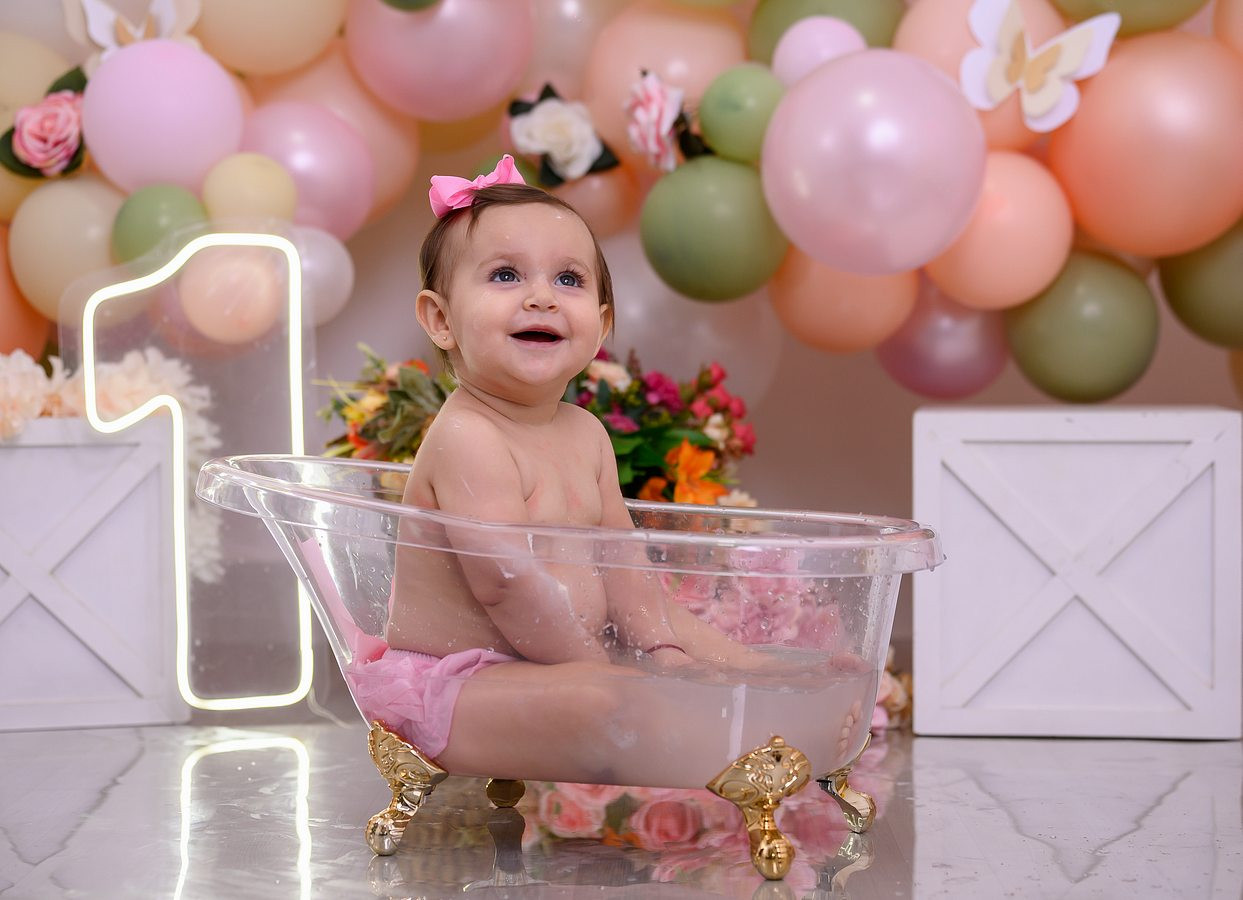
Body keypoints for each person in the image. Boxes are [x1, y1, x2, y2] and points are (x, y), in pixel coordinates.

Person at [348, 156, 770, 783]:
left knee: (701, 657)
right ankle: (730, 736)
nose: (541, 296)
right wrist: (607, 669)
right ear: (441, 320)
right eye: (506, 275)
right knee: (606, 700)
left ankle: (767, 687)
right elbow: (507, 584)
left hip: (549, 667)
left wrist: (671, 651)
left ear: (601, 326)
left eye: (569, 279)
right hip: (462, 687)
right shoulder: (470, 436)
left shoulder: (586, 433)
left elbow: (624, 569)